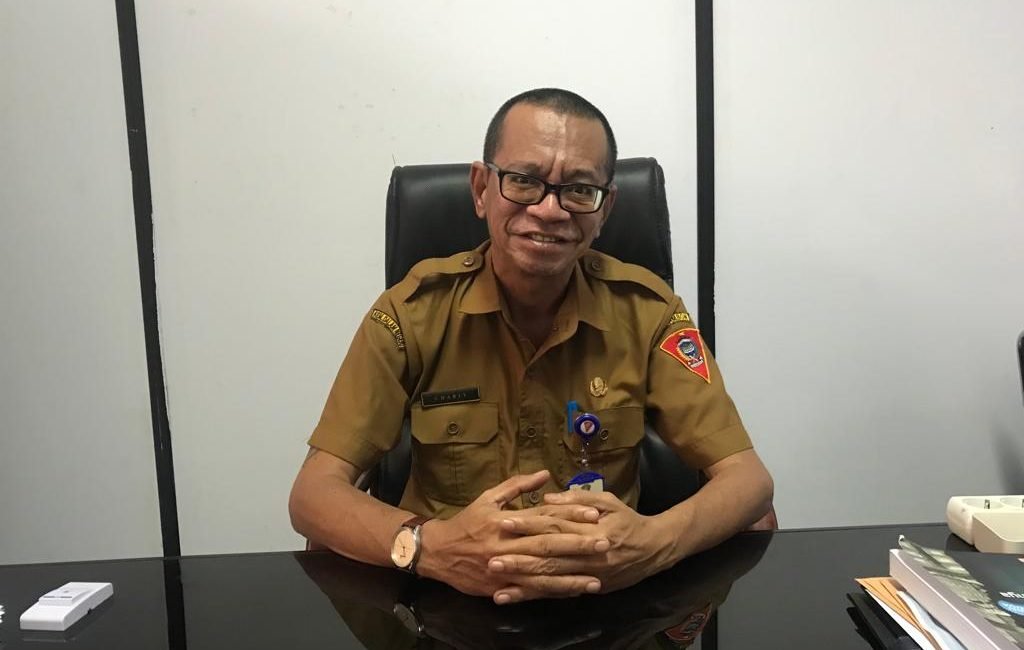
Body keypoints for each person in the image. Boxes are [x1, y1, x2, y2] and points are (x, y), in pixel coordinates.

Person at [289, 88, 775, 605]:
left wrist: (653, 543)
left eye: (579, 190)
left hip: (606, 600)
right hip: (447, 599)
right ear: (482, 189)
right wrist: (431, 548)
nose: (549, 210)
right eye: (524, 180)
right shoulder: (410, 314)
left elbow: (749, 481)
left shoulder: (648, 312)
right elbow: (313, 494)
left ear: (605, 209)